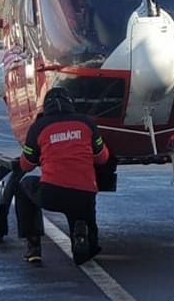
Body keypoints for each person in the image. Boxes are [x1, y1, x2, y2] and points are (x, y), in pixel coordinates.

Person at [15, 88, 112, 265]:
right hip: (85, 193)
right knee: (84, 244)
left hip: (52, 192)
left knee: (23, 186)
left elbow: (26, 165)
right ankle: (82, 236)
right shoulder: (86, 123)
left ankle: (33, 246)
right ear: (71, 104)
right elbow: (102, 158)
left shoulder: (39, 127)